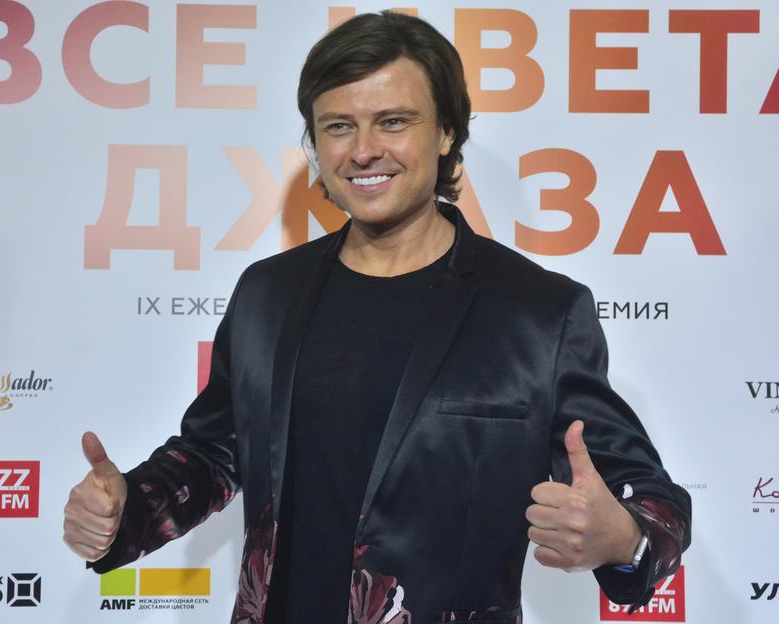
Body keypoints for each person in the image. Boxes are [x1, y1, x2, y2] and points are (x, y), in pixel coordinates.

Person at [63, 11, 690, 624]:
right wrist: (126, 511)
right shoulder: (267, 293)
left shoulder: (541, 312)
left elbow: (653, 501)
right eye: (339, 126)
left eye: (393, 121)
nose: (364, 151)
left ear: (446, 132)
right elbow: (211, 453)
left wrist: (624, 538)